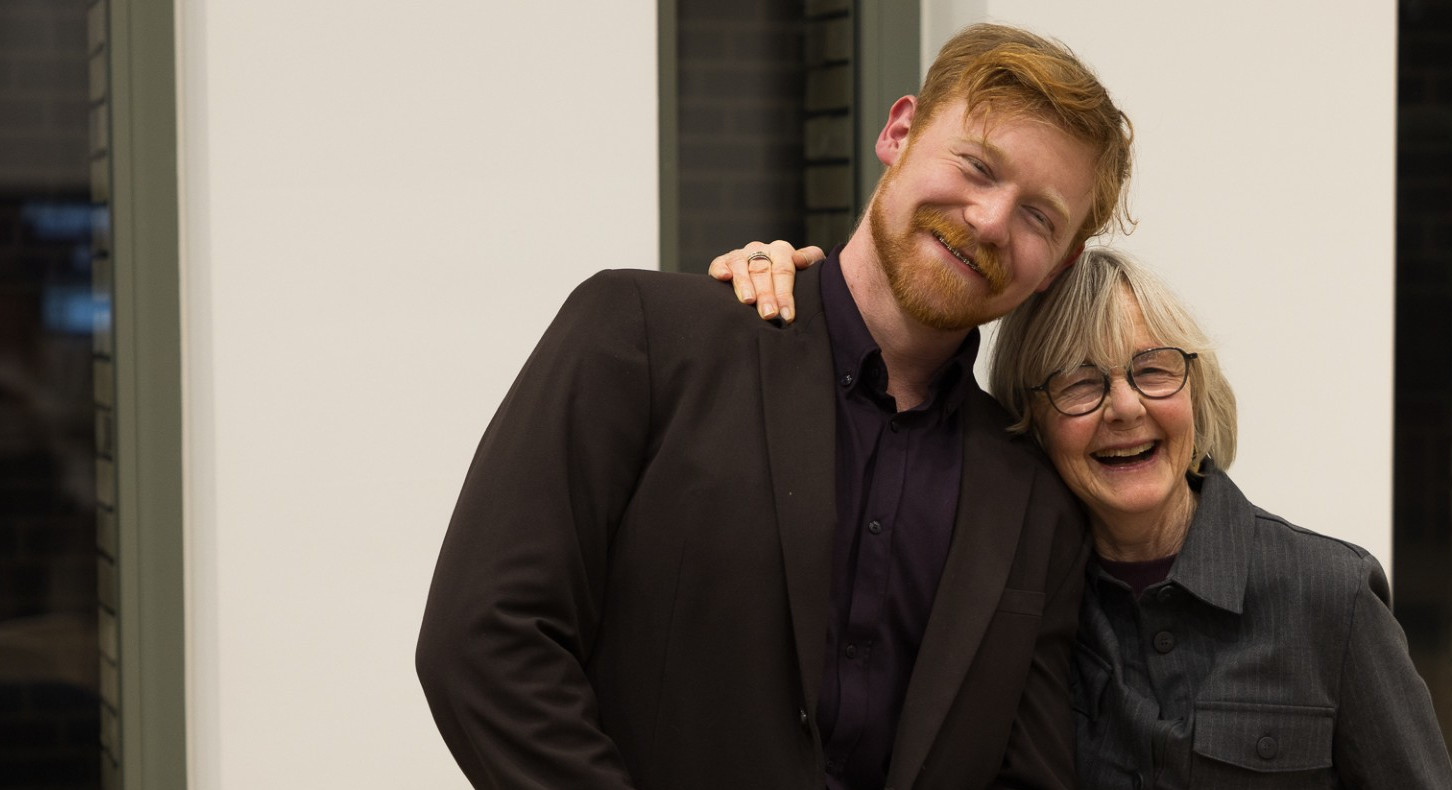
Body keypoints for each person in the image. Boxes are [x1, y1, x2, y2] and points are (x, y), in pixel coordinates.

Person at [416, 23, 1133, 790]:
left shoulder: (1035, 505)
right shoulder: (641, 336)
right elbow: (485, 639)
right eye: (977, 165)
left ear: (1058, 268)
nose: (991, 219)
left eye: (1038, 216)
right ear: (900, 131)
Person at [711, 246, 1452, 787]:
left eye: (1154, 369)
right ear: (1032, 424)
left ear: (1196, 393)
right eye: (1080, 384)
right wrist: (784, 290)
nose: (1125, 407)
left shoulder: (1328, 594)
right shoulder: (1007, 605)